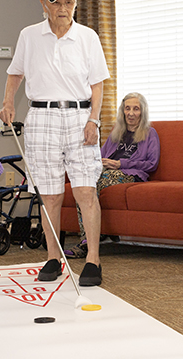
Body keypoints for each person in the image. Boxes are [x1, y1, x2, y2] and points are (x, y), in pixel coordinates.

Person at [0, 0, 109, 286]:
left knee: (86, 190)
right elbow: (15, 73)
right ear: (44, 5)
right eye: (57, 2)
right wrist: (8, 103)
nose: (64, 8)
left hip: (80, 116)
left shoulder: (87, 37)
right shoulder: (29, 35)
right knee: (50, 194)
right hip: (42, 117)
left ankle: (93, 261)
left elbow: (97, 84)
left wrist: (94, 121)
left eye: (69, 2)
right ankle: (52, 258)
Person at [65, 92, 160, 258]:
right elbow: (100, 155)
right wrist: (99, 162)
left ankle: (87, 242)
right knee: (83, 184)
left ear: (142, 112)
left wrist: (121, 164)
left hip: (130, 174)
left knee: (94, 184)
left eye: (136, 109)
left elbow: (152, 164)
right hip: (107, 170)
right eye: (127, 108)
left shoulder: (150, 133)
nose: (131, 113)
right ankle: (92, 236)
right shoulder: (117, 131)